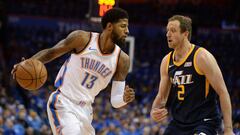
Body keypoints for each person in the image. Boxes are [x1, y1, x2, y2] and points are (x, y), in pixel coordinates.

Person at [11, 8, 135, 135]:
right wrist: (27, 63)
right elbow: (51, 52)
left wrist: (124, 99)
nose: (127, 31)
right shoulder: (82, 39)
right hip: (64, 103)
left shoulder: (123, 60)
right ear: (109, 26)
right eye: (123, 26)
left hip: (86, 111)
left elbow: (115, 100)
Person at [151, 15, 234, 135]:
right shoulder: (166, 61)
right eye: (167, 30)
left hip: (204, 122)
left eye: (173, 30)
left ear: (185, 33)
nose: (168, 34)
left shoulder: (202, 57)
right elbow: (161, 96)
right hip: (179, 123)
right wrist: (154, 110)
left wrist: (228, 129)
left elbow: (223, 92)